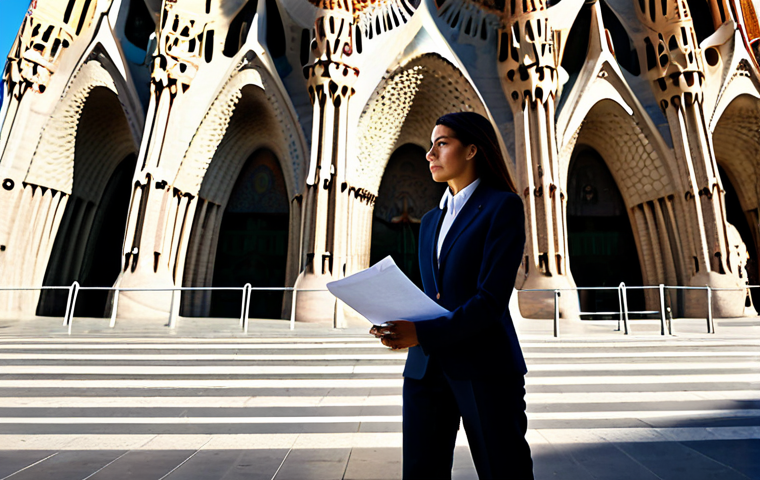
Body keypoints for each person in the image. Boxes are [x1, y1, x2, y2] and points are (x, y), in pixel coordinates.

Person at [370, 111, 533, 479]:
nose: (429, 154)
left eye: (441, 144)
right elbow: (435, 296)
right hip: (425, 369)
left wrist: (422, 333)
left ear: (472, 149)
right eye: (431, 145)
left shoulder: (502, 207)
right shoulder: (430, 221)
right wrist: (397, 323)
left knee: (503, 471)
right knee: (420, 473)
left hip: (484, 366)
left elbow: (490, 301)